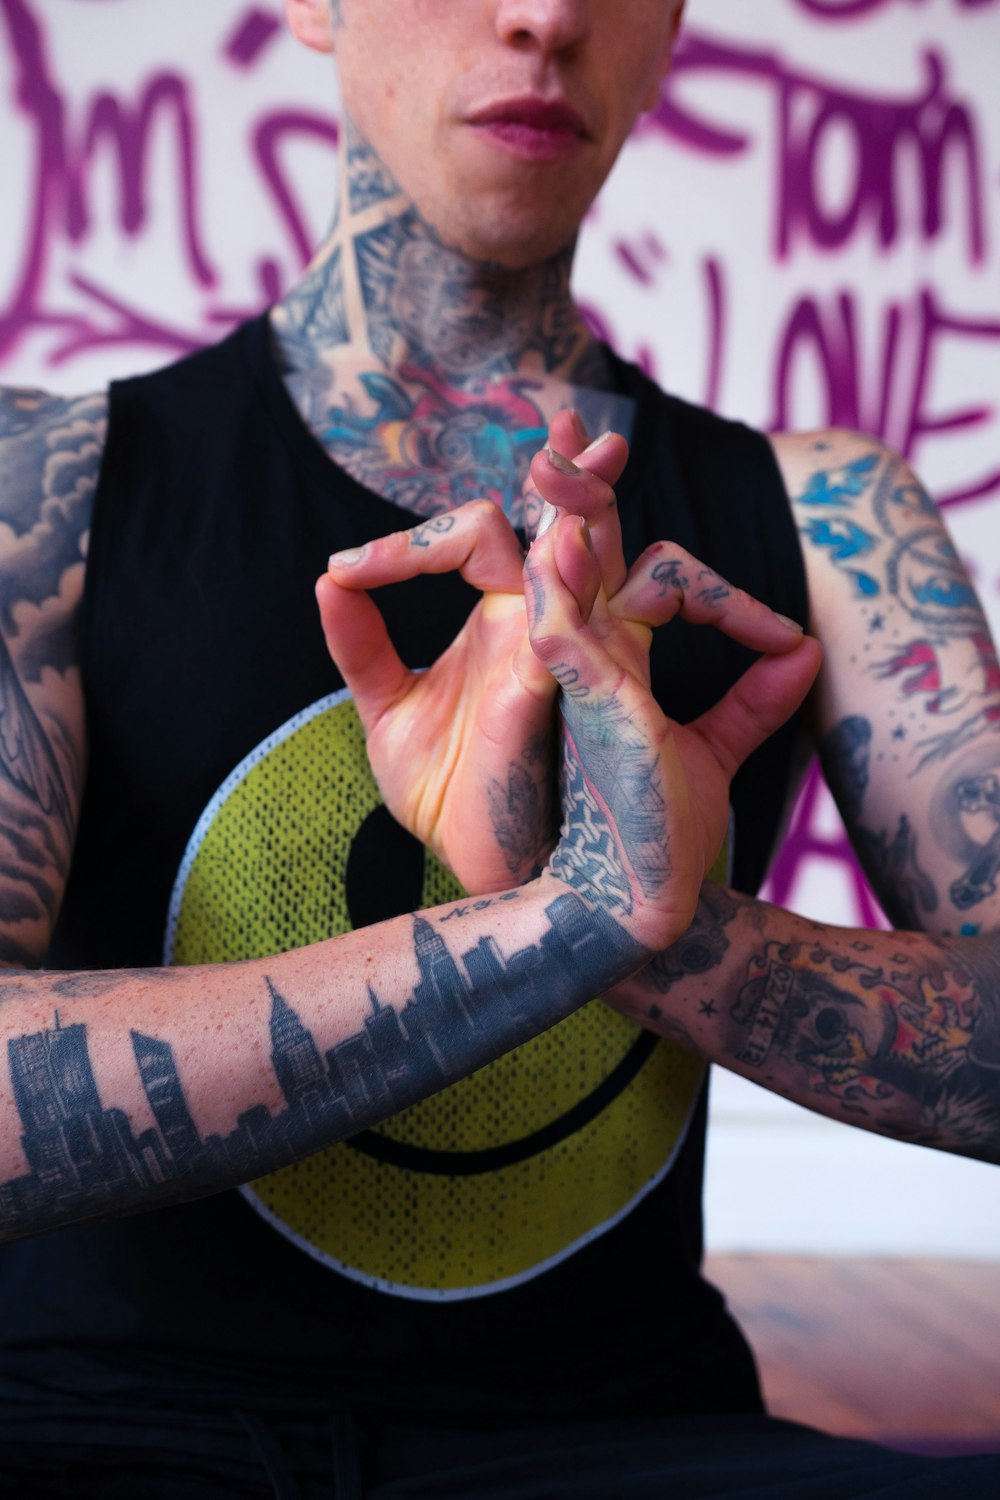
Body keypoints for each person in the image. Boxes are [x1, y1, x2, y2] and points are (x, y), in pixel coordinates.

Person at [0, 0, 996, 1493]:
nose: (544, 15)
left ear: (669, 34)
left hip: (622, 1434)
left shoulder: (833, 518)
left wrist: (662, 921)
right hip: (93, 1423)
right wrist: (562, 921)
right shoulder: (46, 485)